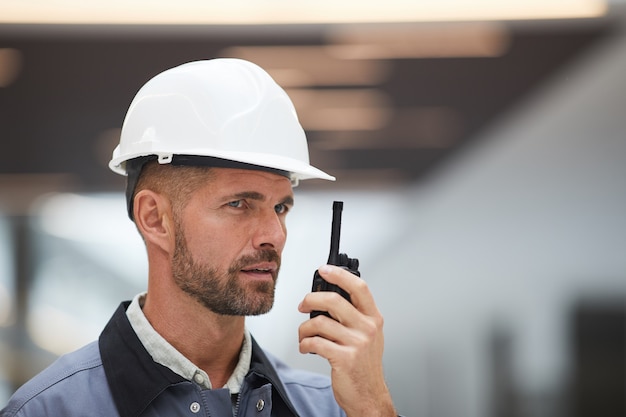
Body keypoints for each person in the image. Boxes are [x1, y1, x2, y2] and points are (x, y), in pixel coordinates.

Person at [1, 59, 398, 416]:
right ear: (155, 218)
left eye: (281, 207)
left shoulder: (330, 408)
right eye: (239, 204)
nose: (274, 235)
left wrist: (373, 407)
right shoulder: (48, 411)